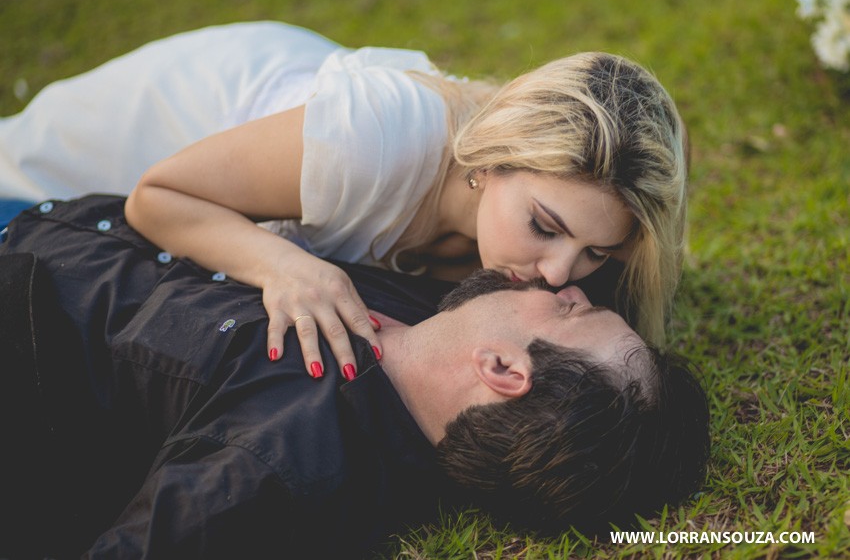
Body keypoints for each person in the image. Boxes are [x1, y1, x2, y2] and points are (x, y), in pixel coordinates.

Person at [0, 195, 709, 559]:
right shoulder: (435, 318)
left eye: (567, 308)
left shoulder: (276, 467)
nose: (567, 284)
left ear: (501, 369)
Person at [0, 21, 689, 379]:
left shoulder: (543, 232)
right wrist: (286, 266)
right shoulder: (376, 141)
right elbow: (155, 196)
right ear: (493, 157)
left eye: (595, 250)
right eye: (544, 226)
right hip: (54, 177)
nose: (562, 273)